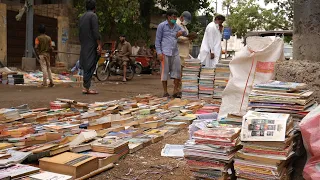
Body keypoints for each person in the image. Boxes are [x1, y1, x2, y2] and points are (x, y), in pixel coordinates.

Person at [155, 9, 187, 98]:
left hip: (175, 52)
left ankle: (175, 91)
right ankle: (165, 91)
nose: (175, 18)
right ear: (168, 17)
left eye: (175, 17)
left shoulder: (177, 26)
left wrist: (182, 32)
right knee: (164, 73)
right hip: (165, 52)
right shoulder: (161, 26)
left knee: (177, 72)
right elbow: (157, 40)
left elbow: (186, 33)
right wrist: (159, 53)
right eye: (173, 17)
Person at [79, 0, 101, 94]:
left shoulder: (82, 17)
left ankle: (86, 86)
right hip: (91, 43)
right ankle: (87, 87)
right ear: (94, 8)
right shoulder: (93, 16)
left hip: (84, 43)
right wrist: (99, 44)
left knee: (86, 65)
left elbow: (79, 32)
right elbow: (95, 32)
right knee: (91, 64)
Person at [177, 11, 192, 97]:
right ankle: (177, 90)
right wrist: (187, 38)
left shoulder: (185, 27)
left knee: (183, 74)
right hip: (179, 53)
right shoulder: (177, 24)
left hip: (185, 54)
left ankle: (182, 90)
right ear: (182, 17)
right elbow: (177, 38)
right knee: (178, 73)